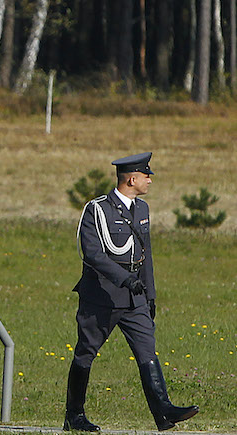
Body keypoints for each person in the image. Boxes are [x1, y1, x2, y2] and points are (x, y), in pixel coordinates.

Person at [65, 152, 198, 432]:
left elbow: (145, 255)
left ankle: (164, 411)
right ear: (132, 179)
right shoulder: (98, 210)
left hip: (135, 295)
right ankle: (74, 416)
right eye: (146, 176)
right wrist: (126, 279)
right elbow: (92, 254)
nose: (150, 180)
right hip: (102, 294)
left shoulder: (142, 209)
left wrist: (150, 295)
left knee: (147, 350)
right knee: (86, 352)